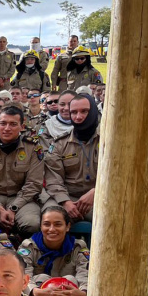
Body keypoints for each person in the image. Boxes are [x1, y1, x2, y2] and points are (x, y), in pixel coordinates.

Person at [0, 104, 44, 235]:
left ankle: (25, 252)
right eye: (3, 123)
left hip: (22, 199)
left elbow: (34, 183)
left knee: (31, 223)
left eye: (13, 124)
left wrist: (13, 209)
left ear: (22, 127)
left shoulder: (33, 148)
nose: (7, 128)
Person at [17, 205, 88, 296]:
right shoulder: (28, 247)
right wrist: (37, 292)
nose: (51, 229)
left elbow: (85, 276)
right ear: (40, 226)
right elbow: (21, 278)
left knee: (71, 280)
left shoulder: (78, 248)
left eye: (58, 224)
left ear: (67, 226)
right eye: (46, 224)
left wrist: (83, 295)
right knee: (41, 279)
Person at [43, 94, 99, 222]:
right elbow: (53, 178)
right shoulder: (60, 143)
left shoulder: (109, 140)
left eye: (84, 111)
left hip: (101, 197)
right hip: (68, 198)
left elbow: (118, 174)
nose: (78, 117)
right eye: (74, 112)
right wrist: (65, 201)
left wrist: (96, 192)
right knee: (51, 219)